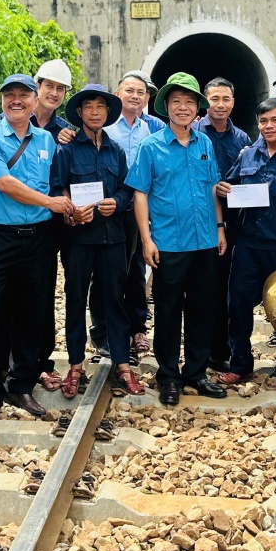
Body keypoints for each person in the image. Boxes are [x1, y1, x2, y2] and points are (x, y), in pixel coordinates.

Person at [0, 74, 75, 423]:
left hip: (38, 238)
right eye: (9, 95)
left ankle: (22, 384)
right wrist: (51, 202)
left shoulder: (46, 139)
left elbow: (56, 183)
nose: (16, 101)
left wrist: (69, 204)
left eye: (23, 95)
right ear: (2, 100)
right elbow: (3, 182)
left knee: (33, 312)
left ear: (35, 101)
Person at [126, 72, 228, 406]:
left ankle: (196, 373)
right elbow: (140, 194)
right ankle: (168, 375)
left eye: (188, 102)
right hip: (168, 243)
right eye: (176, 102)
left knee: (202, 309)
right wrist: (146, 239)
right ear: (166, 107)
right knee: (168, 311)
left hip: (204, 243)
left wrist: (220, 227)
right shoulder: (150, 147)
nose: (182, 108)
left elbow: (212, 187)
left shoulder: (205, 144)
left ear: (197, 108)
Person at [51, 84, 144, 397]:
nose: (94, 112)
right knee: (75, 299)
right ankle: (75, 365)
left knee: (114, 300)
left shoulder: (115, 150)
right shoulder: (66, 150)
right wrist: (71, 210)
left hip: (112, 237)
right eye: (88, 107)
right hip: (77, 238)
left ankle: (122, 364)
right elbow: (57, 188)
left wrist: (116, 203)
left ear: (107, 113)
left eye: (100, 107)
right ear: (79, 113)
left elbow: (127, 190)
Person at [212, 98, 276, 395]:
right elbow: (228, 187)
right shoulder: (248, 154)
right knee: (237, 306)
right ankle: (240, 364)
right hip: (249, 245)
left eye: (275, 120)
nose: (269, 127)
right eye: (263, 122)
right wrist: (224, 190)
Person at [97, 69, 163, 358]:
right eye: (130, 91)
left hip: (138, 206)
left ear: (147, 98)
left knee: (137, 268)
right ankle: (103, 332)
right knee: (105, 273)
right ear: (118, 93)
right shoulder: (105, 126)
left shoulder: (152, 128)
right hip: (109, 207)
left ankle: (137, 328)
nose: (135, 96)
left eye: (141, 92)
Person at [195, 77, 251, 374]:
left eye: (225, 99)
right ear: (205, 102)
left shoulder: (242, 139)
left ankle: (221, 350)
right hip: (198, 220)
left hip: (231, 223)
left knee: (226, 288)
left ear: (233, 102)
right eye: (214, 99)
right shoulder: (192, 132)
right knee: (202, 288)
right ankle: (201, 350)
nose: (220, 105)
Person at [30, 58, 76, 391]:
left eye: (60, 88)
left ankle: (42, 362)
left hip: (54, 221)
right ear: (37, 85)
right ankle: (17, 361)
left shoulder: (64, 131)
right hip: (22, 218)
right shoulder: (13, 120)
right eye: (50, 86)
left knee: (44, 293)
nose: (54, 93)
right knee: (25, 294)